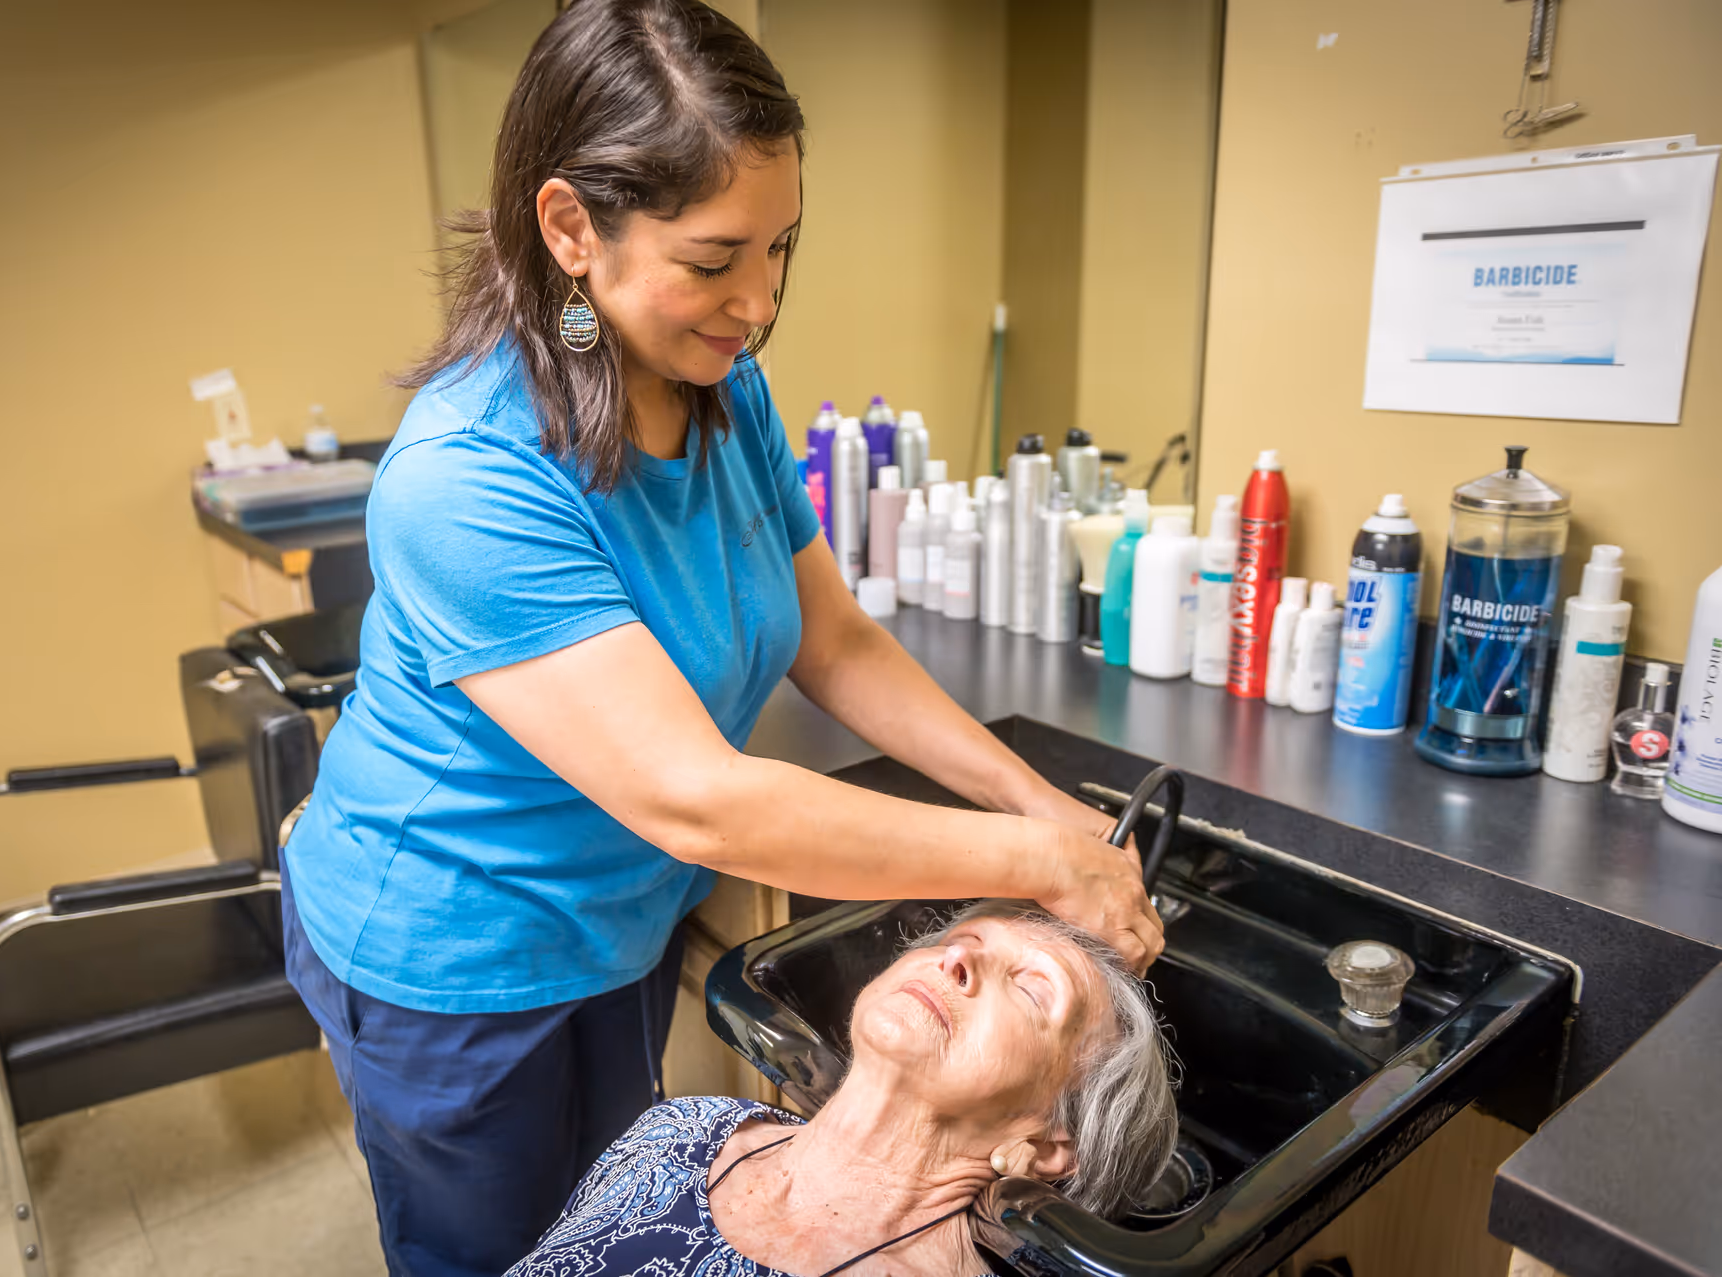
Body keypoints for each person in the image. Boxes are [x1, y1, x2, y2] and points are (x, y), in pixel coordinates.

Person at [277, 1, 1165, 1273]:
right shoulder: (464, 479)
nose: (756, 302)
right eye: (713, 259)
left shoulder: (719, 386)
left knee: (605, 1227)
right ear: (571, 227)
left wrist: (1045, 809)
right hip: (451, 954)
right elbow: (699, 801)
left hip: (617, 917)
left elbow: (833, 634)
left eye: (781, 248)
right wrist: (1035, 860)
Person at [506, 901, 1179, 1276]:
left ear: (1050, 1139)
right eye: (967, 938)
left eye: (1032, 987)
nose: (958, 957)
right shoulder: (681, 1126)